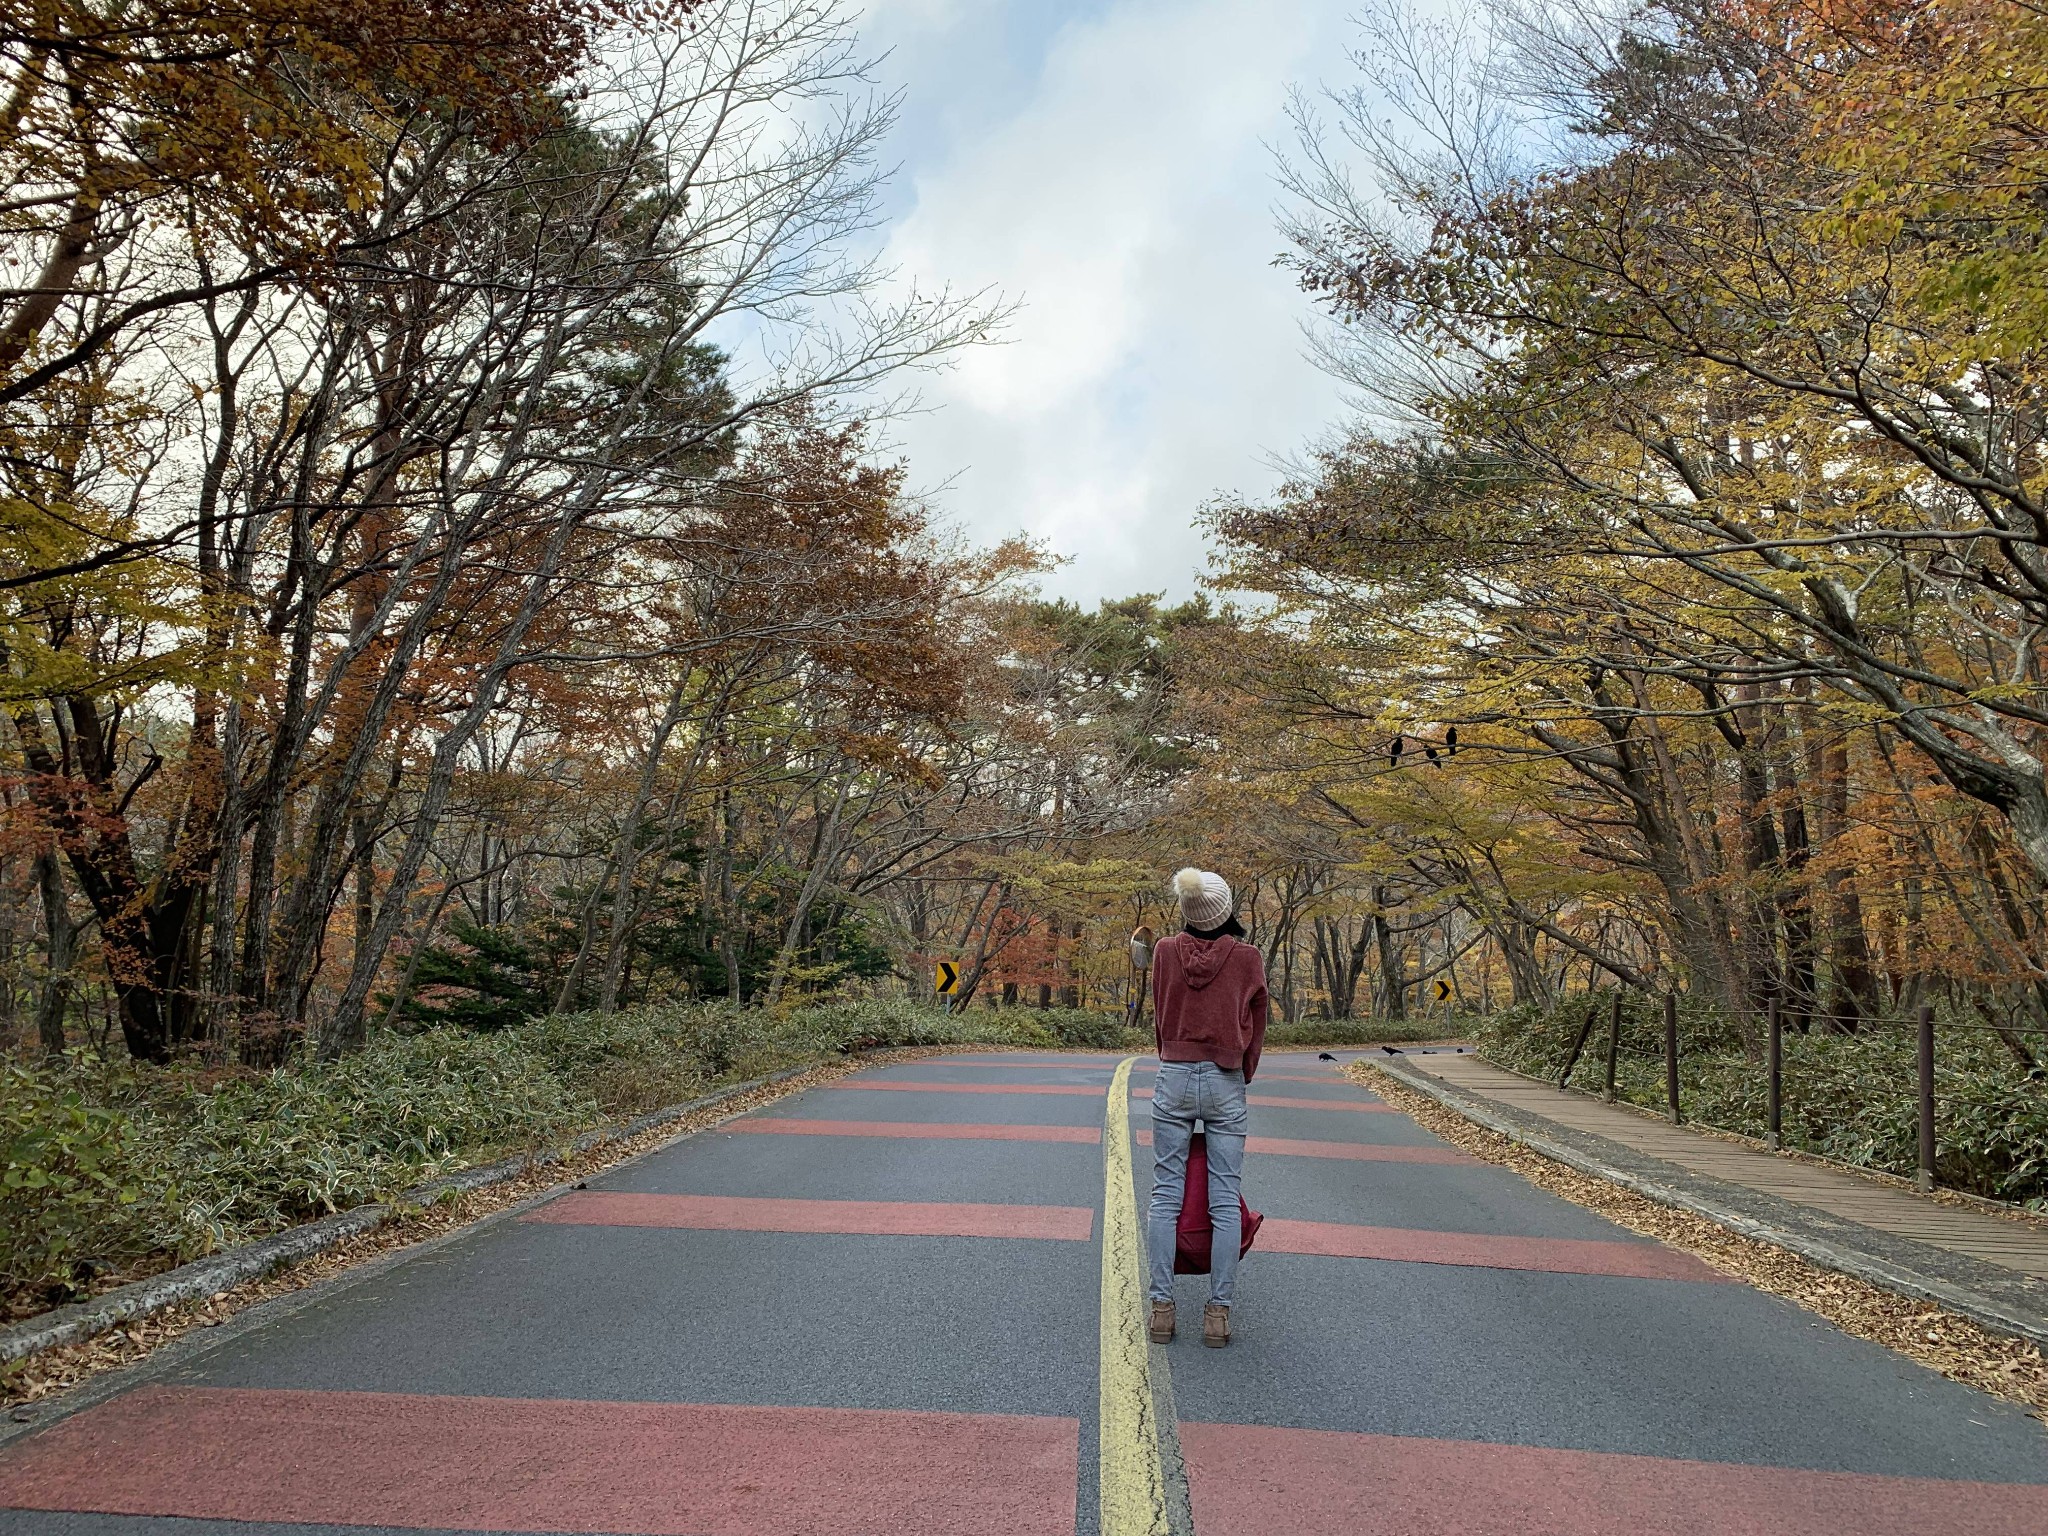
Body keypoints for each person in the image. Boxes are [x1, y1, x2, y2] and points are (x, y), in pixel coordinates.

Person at [1143, 866, 1268, 1349]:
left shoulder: (1164, 952)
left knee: (1165, 1194)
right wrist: (1243, 1069)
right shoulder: (1248, 958)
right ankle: (1217, 1314)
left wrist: (1171, 1051)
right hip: (1224, 1078)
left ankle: (1161, 1310)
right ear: (1225, 908)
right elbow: (1257, 1023)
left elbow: (1159, 1010)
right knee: (1223, 1198)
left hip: (1174, 1075)